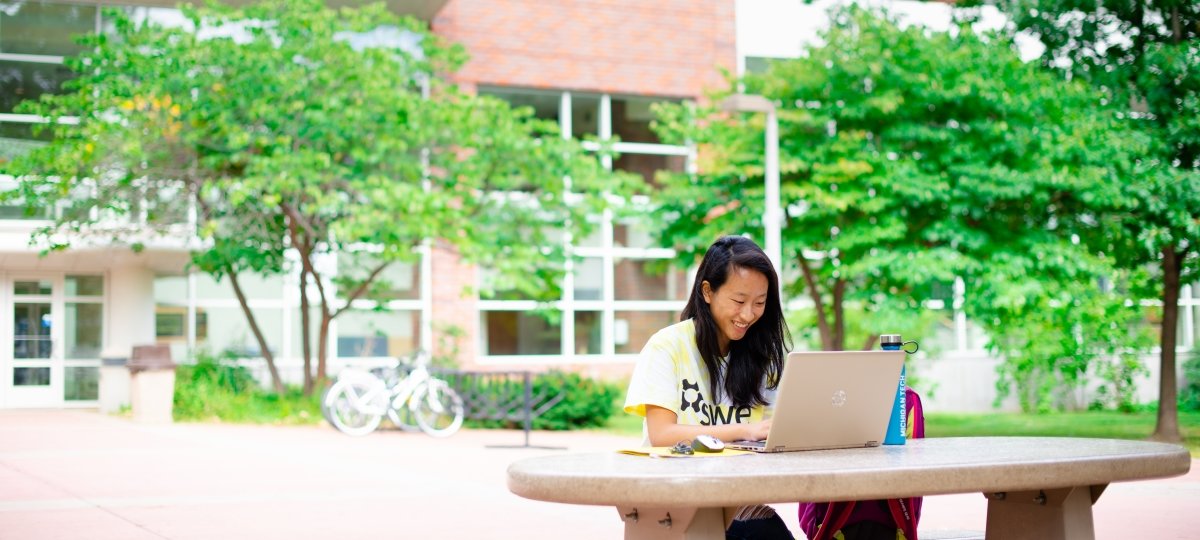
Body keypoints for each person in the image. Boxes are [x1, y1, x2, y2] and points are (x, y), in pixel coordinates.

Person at [624, 235, 794, 540]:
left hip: (737, 497)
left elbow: (773, 432)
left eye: (759, 303)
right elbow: (662, 435)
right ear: (707, 292)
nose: (748, 315)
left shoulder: (761, 356)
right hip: (675, 498)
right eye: (739, 301)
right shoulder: (668, 346)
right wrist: (744, 432)